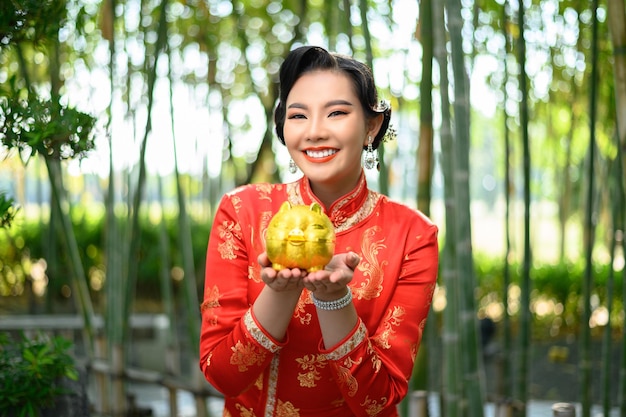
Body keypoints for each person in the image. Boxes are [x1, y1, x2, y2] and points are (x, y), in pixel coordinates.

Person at [199, 45, 439, 417]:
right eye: (298, 116)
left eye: (337, 113)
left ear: (371, 126)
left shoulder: (413, 234)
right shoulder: (242, 211)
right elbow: (222, 376)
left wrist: (333, 298)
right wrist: (281, 290)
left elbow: (378, 399)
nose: (314, 132)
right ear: (283, 128)